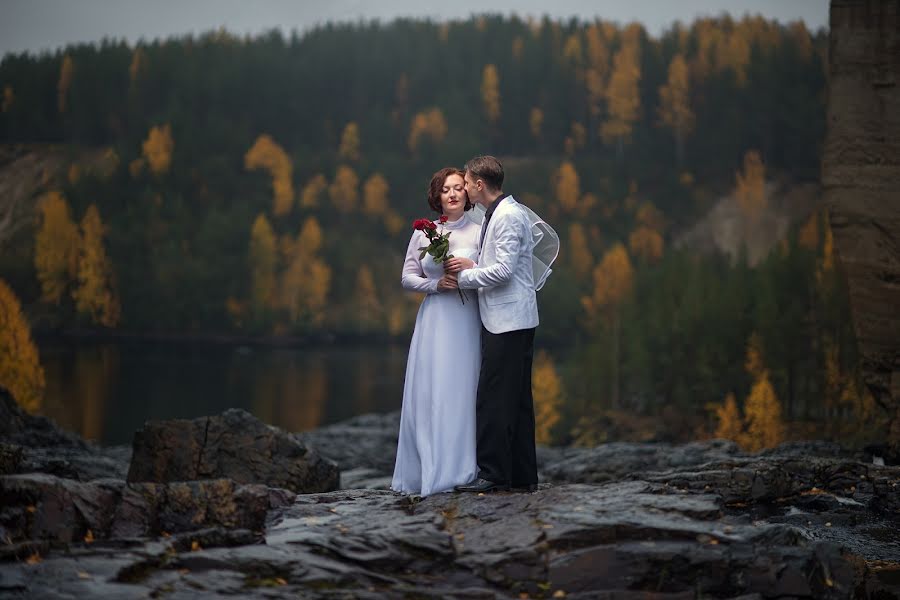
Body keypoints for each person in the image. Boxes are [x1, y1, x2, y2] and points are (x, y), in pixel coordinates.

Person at [444, 155, 539, 493]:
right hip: (510, 319)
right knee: (516, 400)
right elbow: (496, 262)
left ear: (479, 184)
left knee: (493, 398)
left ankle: (493, 474)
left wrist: (464, 278)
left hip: (509, 321)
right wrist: (472, 262)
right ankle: (522, 475)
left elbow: (503, 271)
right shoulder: (497, 213)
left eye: (467, 183)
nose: (464, 188)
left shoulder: (509, 216)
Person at [390, 167, 482, 497]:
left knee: (461, 389)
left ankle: (461, 469)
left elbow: (494, 270)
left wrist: (470, 267)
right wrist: (435, 284)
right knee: (430, 392)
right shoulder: (424, 233)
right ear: (437, 196)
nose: (454, 194)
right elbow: (407, 277)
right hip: (434, 319)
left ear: (469, 193)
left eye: (459, 188)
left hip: (466, 318)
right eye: (446, 189)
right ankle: (428, 469)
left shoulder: (479, 231)